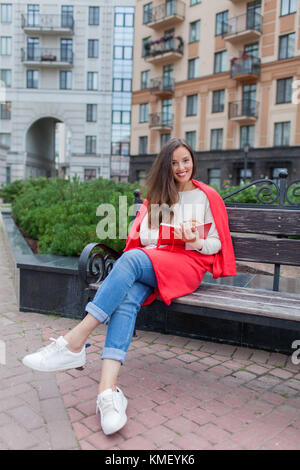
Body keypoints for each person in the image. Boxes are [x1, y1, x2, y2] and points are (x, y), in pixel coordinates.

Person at [22, 138, 236, 435]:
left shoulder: (206, 196)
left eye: (185, 160)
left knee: (132, 259)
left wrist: (194, 240)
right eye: (174, 162)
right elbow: (146, 237)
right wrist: (166, 231)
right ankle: (107, 393)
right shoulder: (163, 195)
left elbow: (215, 245)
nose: (181, 167)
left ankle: (74, 341)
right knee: (127, 297)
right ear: (166, 166)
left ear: (193, 161)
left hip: (188, 265)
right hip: (157, 260)